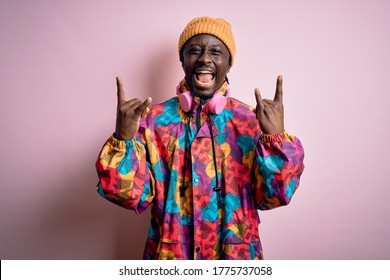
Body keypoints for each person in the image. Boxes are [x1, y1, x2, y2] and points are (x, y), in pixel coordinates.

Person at [96, 16, 305, 260]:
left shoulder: (250, 120)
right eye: (194, 50)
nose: (205, 58)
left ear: (228, 65)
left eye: (216, 52)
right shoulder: (152, 121)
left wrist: (275, 139)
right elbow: (128, 196)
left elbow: (275, 195)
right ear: (182, 61)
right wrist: (124, 139)